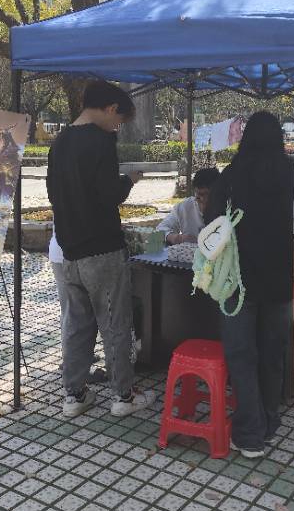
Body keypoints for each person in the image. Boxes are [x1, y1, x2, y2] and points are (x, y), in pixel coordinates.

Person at [47, 80, 155, 418]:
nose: (117, 127)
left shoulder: (59, 142)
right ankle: (124, 396)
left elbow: (52, 195)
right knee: (114, 325)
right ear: (110, 109)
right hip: (103, 251)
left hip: (68, 251)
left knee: (77, 326)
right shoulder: (101, 141)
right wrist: (129, 182)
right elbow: (109, 194)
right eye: (119, 120)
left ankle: (74, 395)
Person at [206, 111, 294, 459]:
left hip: (236, 282)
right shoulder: (293, 174)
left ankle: (249, 434)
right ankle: (269, 423)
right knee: (273, 353)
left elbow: (211, 223)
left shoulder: (231, 176)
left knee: (242, 355)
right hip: (281, 281)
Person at [156, 167, 220, 245]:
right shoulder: (185, 207)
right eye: (199, 195)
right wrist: (178, 238)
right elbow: (160, 229)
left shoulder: (228, 208)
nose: (203, 200)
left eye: (207, 195)